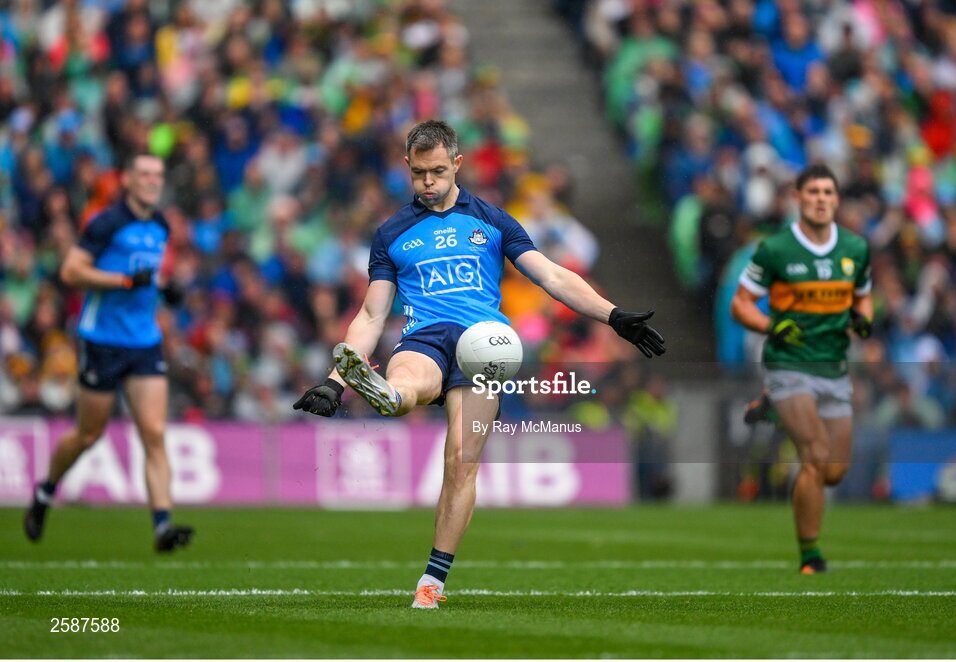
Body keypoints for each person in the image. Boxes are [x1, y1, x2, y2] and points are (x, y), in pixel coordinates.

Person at [293, 120, 665, 607]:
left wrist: (612, 315)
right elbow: (371, 312)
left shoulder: (493, 220)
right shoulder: (391, 233)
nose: (428, 182)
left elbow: (551, 276)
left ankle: (431, 583)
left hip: (484, 346)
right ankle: (386, 393)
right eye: (420, 173)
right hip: (424, 334)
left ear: (458, 165)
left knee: (460, 464)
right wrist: (335, 380)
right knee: (408, 384)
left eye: (438, 172)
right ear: (407, 167)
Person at [23, 154, 193, 553]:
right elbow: (71, 272)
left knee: (153, 432)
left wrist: (166, 288)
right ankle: (46, 492)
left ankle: (162, 525)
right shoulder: (106, 223)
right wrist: (123, 280)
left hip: (144, 340)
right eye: (145, 174)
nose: (153, 181)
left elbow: (150, 274)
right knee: (88, 434)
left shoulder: (161, 225)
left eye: (158, 175)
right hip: (102, 340)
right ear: (129, 181)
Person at [730, 163, 872, 574]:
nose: (822, 199)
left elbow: (862, 297)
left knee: (834, 471)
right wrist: (773, 325)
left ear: (837, 199)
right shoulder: (775, 250)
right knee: (813, 456)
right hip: (788, 362)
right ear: (798, 197)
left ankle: (774, 407)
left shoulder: (855, 249)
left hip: (834, 366)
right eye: (813, 192)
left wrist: (863, 317)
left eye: (828, 192)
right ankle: (811, 556)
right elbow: (740, 304)